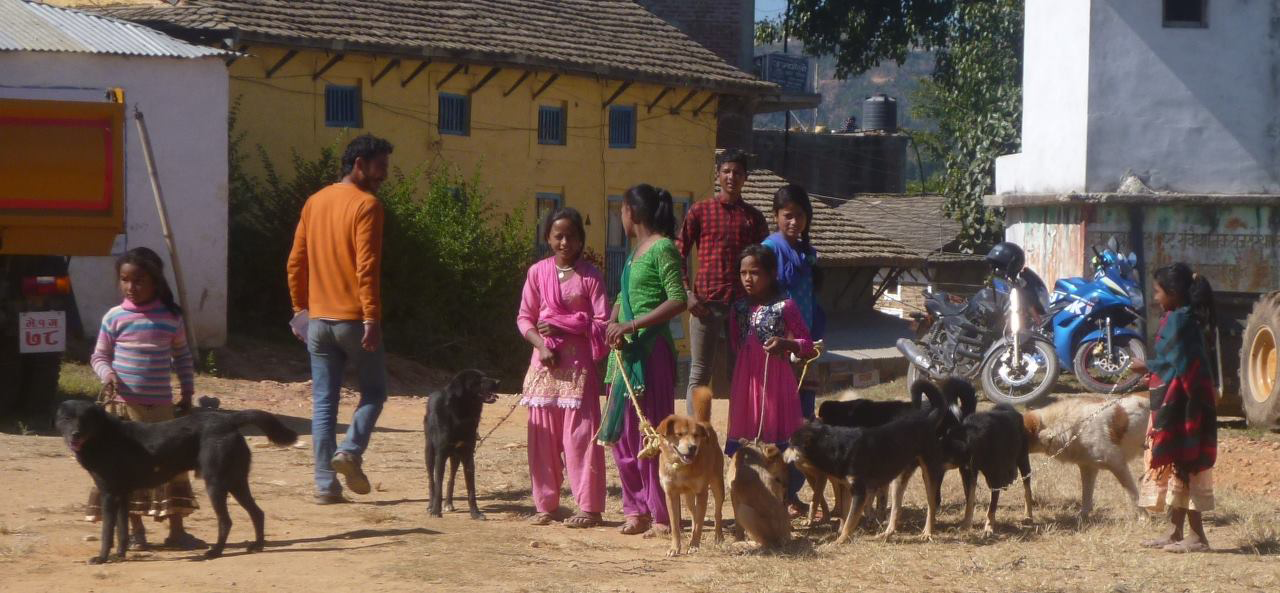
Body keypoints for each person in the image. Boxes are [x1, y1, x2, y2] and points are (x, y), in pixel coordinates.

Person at [287, 134, 392, 504]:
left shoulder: (315, 202)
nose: (384, 175)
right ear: (359, 164)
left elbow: (295, 262)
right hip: (353, 319)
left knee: (324, 403)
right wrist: (371, 317)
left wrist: (300, 309)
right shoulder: (368, 205)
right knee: (375, 392)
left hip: (318, 322)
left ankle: (324, 485)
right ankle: (350, 451)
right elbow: (367, 268)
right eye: (381, 167)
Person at [87, 247, 203, 550]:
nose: (131, 287)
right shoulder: (114, 317)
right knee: (126, 470)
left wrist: (188, 391)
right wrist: (108, 375)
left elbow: (182, 357)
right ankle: (135, 533)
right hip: (125, 411)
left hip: (162, 410)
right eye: (125, 280)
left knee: (173, 464)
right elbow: (99, 356)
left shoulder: (171, 317)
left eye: (139, 280)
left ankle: (177, 531)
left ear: (155, 282)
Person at [598, 184, 688, 537]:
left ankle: (662, 513)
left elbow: (678, 299)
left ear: (630, 213)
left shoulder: (664, 247)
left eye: (621, 210)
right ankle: (635, 509)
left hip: (650, 354)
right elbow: (624, 295)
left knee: (651, 434)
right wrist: (613, 319)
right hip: (624, 355)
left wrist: (633, 324)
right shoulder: (635, 252)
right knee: (622, 435)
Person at [516, 207, 608, 528]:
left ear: (581, 240)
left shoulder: (591, 277)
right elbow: (525, 318)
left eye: (571, 236)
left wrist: (566, 326)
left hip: (578, 371)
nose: (565, 242)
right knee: (543, 439)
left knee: (581, 439)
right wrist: (541, 346)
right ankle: (546, 504)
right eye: (558, 236)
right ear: (547, 239)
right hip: (544, 369)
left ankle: (589, 508)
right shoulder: (536, 273)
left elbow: (601, 323)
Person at [1130, 262, 1218, 553]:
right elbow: (1173, 363)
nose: (1155, 298)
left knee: (1188, 465)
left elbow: (1179, 366)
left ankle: (1197, 537)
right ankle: (1175, 531)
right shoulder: (1178, 318)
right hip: (1179, 402)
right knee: (1177, 466)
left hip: (1188, 407)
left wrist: (1148, 365)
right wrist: (1154, 372)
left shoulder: (1180, 322)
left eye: (1157, 292)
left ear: (1174, 293)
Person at [677, 149, 769, 414]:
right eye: (726, 171)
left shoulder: (753, 217)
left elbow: (765, 262)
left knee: (739, 371)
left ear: (745, 178)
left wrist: (761, 302)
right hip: (704, 305)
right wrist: (686, 294)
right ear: (718, 175)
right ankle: (693, 433)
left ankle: (738, 432)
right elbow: (678, 253)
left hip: (742, 306)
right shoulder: (700, 211)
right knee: (699, 372)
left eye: (737, 172)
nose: (732, 177)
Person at [760, 184, 824, 517]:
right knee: (779, 421)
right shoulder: (769, 250)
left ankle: (791, 492)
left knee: (803, 421)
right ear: (776, 217)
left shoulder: (806, 252)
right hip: (779, 348)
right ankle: (775, 494)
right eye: (788, 216)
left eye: (800, 216)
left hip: (805, 346)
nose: (794, 222)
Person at [725, 245, 815, 456]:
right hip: (746, 381)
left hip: (775, 382)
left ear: (772, 273)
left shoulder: (785, 306)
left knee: (776, 442)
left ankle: (783, 485)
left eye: (755, 273)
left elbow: (808, 345)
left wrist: (787, 344)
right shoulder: (738, 308)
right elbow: (735, 344)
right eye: (743, 273)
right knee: (746, 444)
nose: (748, 278)